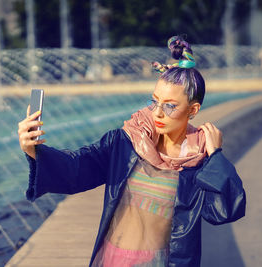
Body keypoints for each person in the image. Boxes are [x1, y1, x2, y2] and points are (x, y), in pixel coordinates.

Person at [17, 35, 246, 267]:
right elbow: (77, 169)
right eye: (155, 101)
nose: (157, 112)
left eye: (170, 106)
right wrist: (33, 149)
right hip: (112, 259)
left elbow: (225, 211)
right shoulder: (126, 143)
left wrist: (216, 157)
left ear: (193, 109)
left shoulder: (198, 162)